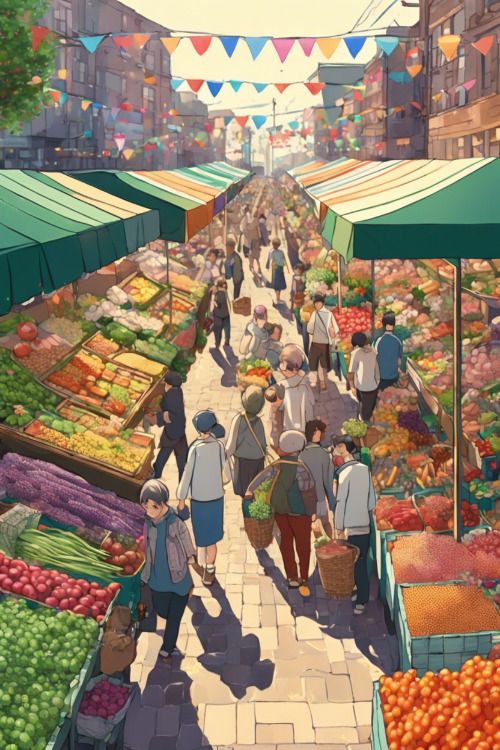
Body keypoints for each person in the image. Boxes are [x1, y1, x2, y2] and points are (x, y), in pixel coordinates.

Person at [246, 430, 316, 597]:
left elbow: (261, 478)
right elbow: (307, 488)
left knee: (286, 541)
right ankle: (304, 575)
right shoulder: (302, 468)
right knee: (303, 544)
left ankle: (292, 576)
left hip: (280, 510)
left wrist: (249, 492)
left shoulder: (276, 465)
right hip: (300, 513)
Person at [140, 479, 196, 659]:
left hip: (179, 576)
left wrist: (191, 557)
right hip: (157, 579)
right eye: (146, 507)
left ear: (164, 505)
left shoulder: (175, 522)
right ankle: (169, 640)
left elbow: (185, 539)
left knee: (174, 616)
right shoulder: (147, 524)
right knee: (163, 610)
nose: (150, 511)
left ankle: (168, 646)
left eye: (154, 507)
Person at [177, 410, 227, 587]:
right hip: (216, 499)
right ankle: (210, 569)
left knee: (201, 537)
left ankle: (201, 564)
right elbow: (226, 474)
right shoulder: (219, 446)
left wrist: (181, 498)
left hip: (198, 500)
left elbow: (187, 474)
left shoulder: (195, 448)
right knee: (212, 538)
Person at [332, 435, 376, 615]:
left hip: (350, 525)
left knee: (354, 563)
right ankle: (360, 595)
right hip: (363, 523)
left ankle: (360, 599)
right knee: (361, 561)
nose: (334, 451)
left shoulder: (344, 473)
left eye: (336, 447)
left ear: (343, 448)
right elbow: (371, 500)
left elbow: (340, 502)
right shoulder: (364, 469)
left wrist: (339, 526)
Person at [225, 385, 267, 500]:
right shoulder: (259, 422)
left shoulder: (238, 419)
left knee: (244, 491)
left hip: (242, 462)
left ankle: (247, 511)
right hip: (258, 460)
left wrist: (224, 455)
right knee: (256, 489)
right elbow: (263, 443)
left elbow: (231, 445)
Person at [299, 420, 335, 538]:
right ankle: (331, 546)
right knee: (326, 524)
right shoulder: (324, 455)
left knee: (314, 524)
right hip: (319, 497)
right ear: (317, 433)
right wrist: (332, 502)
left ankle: (321, 546)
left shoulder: (301, 455)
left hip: (306, 498)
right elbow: (328, 482)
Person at [152, 372, 188, 483]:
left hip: (172, 431)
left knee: (164, 453)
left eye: (166, 384)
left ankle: (156, 475)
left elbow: (170, 416)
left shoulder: (171, 396)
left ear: (170, 385)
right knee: (181, 458)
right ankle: (182, 480)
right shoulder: (178, 392)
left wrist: (157, 417)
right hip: (180, 430)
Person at [274, 344, 315, 433]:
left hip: (288, 429)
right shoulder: (305, 386)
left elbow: (279, 408)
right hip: (304, 429)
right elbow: (311, 405)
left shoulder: (282, 387)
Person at [306, 293, 339, 392]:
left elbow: (310, 329)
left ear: (322, 303)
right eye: (315, 303)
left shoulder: (316, 315)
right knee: (320, 363)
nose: (316, 305)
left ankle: (320, 382)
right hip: (320, 342)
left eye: (318, 303)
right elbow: (333, 329)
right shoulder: (328, 314)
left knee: (317, 363)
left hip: (319, 342)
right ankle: (321, 382)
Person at [348, 332, 380, 422]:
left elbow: (351, 372)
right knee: (368, 408)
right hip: (373, 386)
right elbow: (376, 369)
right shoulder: (373, 351)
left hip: (363, 387)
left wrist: (352, 386)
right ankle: (365, 419)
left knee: (365, 414)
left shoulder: (356, 353)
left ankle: (364, 427)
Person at [374, 312, 403, 390]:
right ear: (394, 324)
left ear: (383, 324)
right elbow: (399, 361)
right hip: (393, 377)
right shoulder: (398, 341)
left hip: (381, 377)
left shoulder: (378, 340)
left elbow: (374, 358)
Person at [290, 262, 309, 355]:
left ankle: (306, 350)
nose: (296, 271)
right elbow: (292, 291)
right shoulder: (294, 278)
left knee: (304, 327)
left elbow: (305, 291)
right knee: (298, 321)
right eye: (295, 270)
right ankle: (301, 331)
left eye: (298, 270)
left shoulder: (304, 280)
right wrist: (291, 305)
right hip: (296, 304)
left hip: (303, 304)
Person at [210, 277, 231, 350]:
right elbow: (228, 302)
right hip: (226, 313)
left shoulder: (215, 291)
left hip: (218, 314)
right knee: (227, 328)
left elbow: (213, 302)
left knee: (217, 330)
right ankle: (227, 341)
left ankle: (217, 343)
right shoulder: (225, 291)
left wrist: (211, 311)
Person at [266, 238, 287, 306]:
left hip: (274, 270)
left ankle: (277, 298)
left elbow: (269, 261)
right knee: (279, 284)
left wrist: (268, 267)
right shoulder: (281, 252)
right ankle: (278, 298)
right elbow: (284, 260)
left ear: (272, 244)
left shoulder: (271, 252)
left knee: (275, 284)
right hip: (280, 269)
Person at [264, 386, 284, 453]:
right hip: (282, 433)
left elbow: (269, 420)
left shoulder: (272, 407)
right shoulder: (283, 404)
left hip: (274, 434)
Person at [247, 211, 263, 276]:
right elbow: (259, 234)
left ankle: (252, 266)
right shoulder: (255, 223)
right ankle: (256, 267)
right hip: (255, 241)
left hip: (254, 241)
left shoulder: (252, 223)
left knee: (252, 257)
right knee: (255, 257)